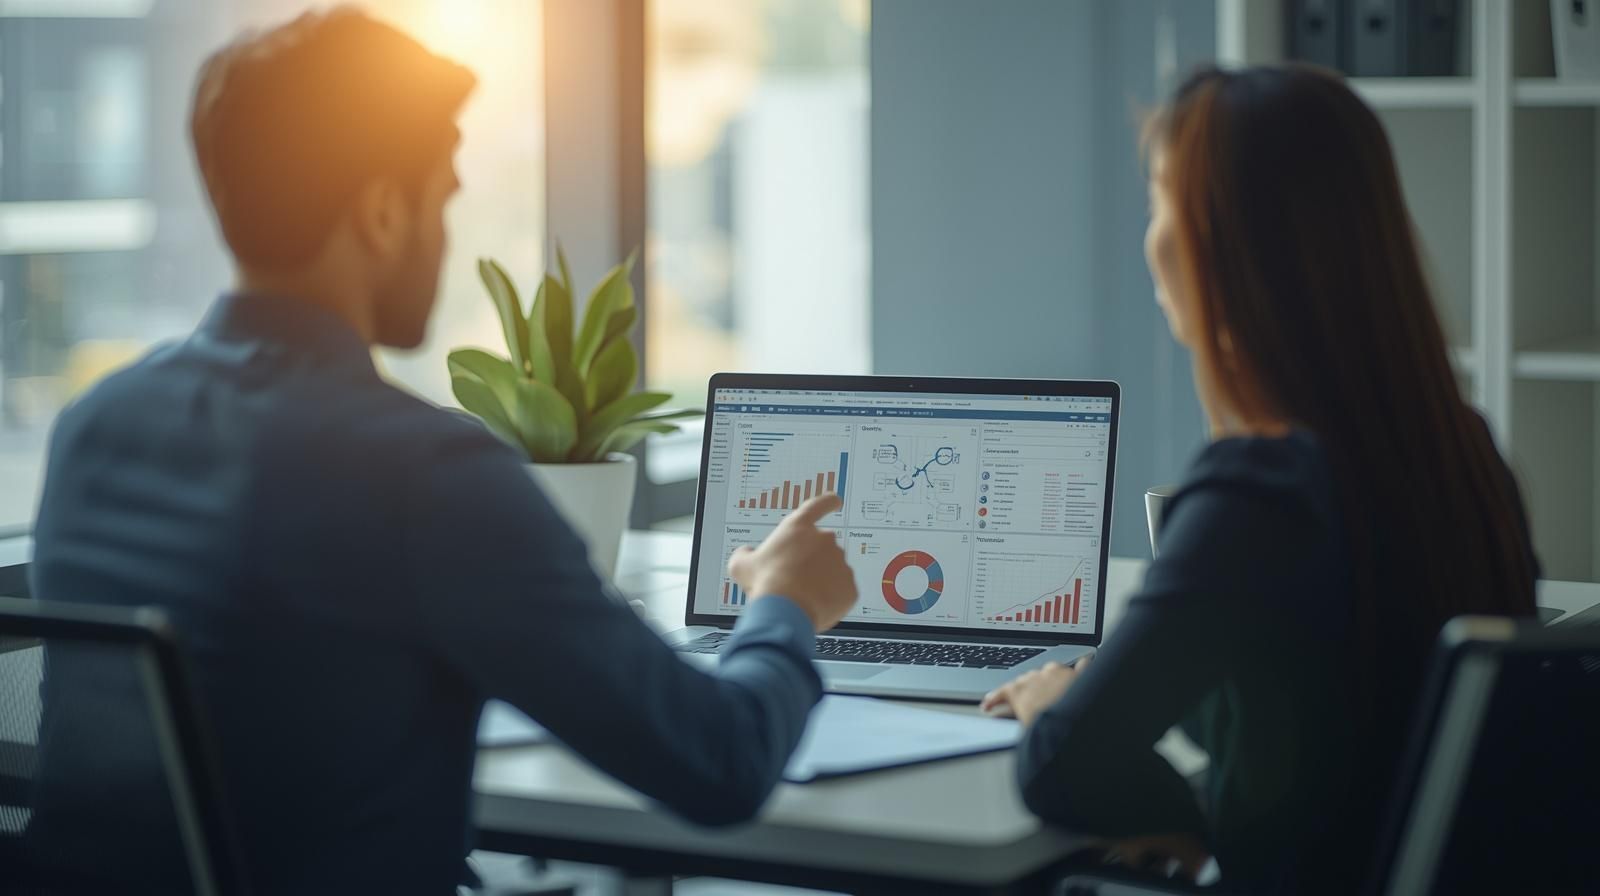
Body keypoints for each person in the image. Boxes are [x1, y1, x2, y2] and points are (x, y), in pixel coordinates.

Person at [26, 8, 855, 893]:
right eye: (442, 196)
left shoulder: (93, 428)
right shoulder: (420, 477)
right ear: (383, 211)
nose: (444, 234)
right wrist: (786, 605)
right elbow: (718, 762)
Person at [981, 65, 1539, 894]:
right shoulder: (1460, 452)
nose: (1150, 239)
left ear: (1217, 245)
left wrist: (1057, 710)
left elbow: (1064, 761)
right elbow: (1306, 702)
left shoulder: (1261, 490)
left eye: (1159, 203)